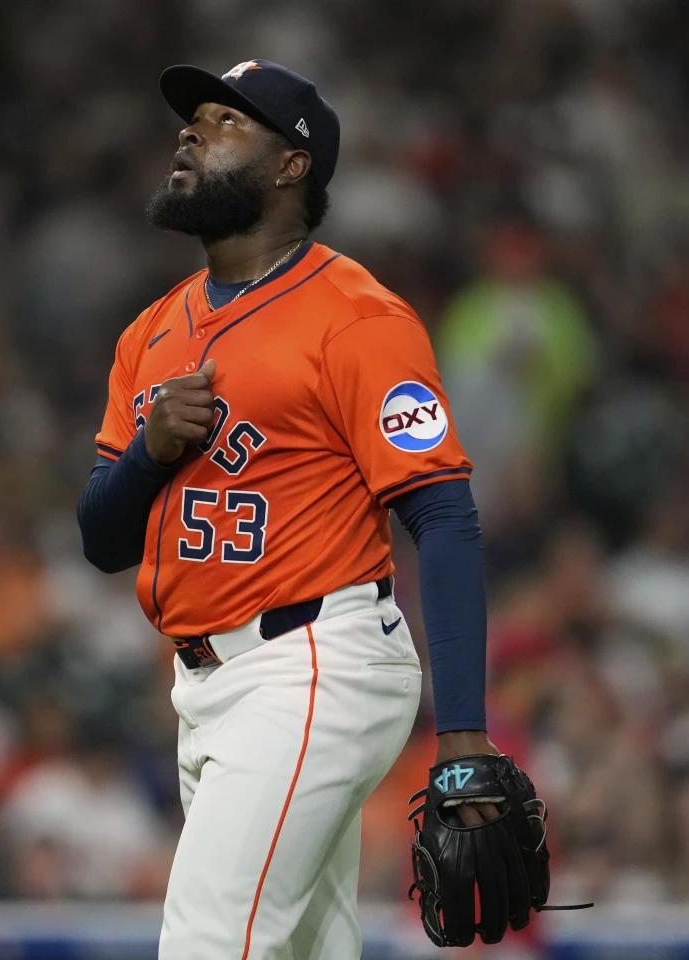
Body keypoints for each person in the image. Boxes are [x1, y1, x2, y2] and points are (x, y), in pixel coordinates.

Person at [77, 60, 541, 957]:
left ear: (292, 166)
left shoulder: (356, 318)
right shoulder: (150, 334)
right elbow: (101, 540)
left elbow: (444, 516)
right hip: (205, 687)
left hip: (314, 663)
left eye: (226, 121)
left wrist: (462, 733)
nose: (191, 132)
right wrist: (148, 453)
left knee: (208, 941)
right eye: (193, 118)